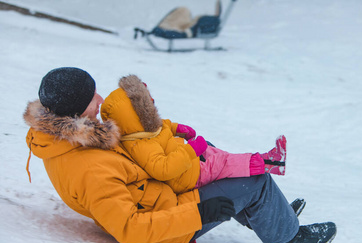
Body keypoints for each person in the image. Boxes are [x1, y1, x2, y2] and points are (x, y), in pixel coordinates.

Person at [24, 67, 336, 243]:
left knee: (205, 153)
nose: (102, 100)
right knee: (255, 182)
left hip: (161, 193)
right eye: (94, 99)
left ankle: (268, 214)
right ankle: (289, 238)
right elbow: (129, 229)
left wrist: (168, 133)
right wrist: (198, 213)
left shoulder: (74, 138)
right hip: (168, 222)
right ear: (77, 112)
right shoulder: (89, 168)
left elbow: (131, 152)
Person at [100, 74, 286, 195]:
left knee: (218, 154)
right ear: (137, 113)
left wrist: (176, 128)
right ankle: (271, 163)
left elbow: (161, 127)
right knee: (224, 163)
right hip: (187, 176)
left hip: (187, 163)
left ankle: (263, 162)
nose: (152, 102)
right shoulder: (141, 145)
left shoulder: (142, 129)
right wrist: (190, 151)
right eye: (148, 103)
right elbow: (163, 169)